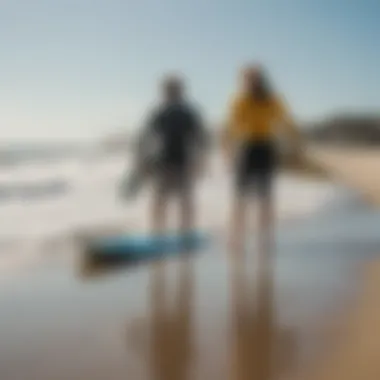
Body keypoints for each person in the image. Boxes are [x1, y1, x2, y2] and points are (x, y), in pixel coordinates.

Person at [222, 64, 303, 253]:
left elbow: (287, 123)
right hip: (246, 148)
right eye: (246, 79)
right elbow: (229, 127)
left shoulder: (273, 100)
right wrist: (227, 152)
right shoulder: (240, 100)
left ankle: (265, 240)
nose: (249, 83)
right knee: (239, 197)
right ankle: (236, 238)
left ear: (260, 79)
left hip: (265, 148)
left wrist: (295, 148)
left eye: (253, 78)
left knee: (265, 198)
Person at [137, 74, 209, 236]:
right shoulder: (159, 113)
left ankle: (186, 233)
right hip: (162, 163)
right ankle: (157, 234)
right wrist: (143, 163)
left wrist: (200, 163)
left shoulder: (188, 114)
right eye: (168, 89)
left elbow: (201, 139)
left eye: (174, 89)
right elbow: (145, 139)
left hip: (183, 162)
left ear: (180, 91)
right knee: (159, 202)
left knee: (185, 202)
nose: (170, 92)